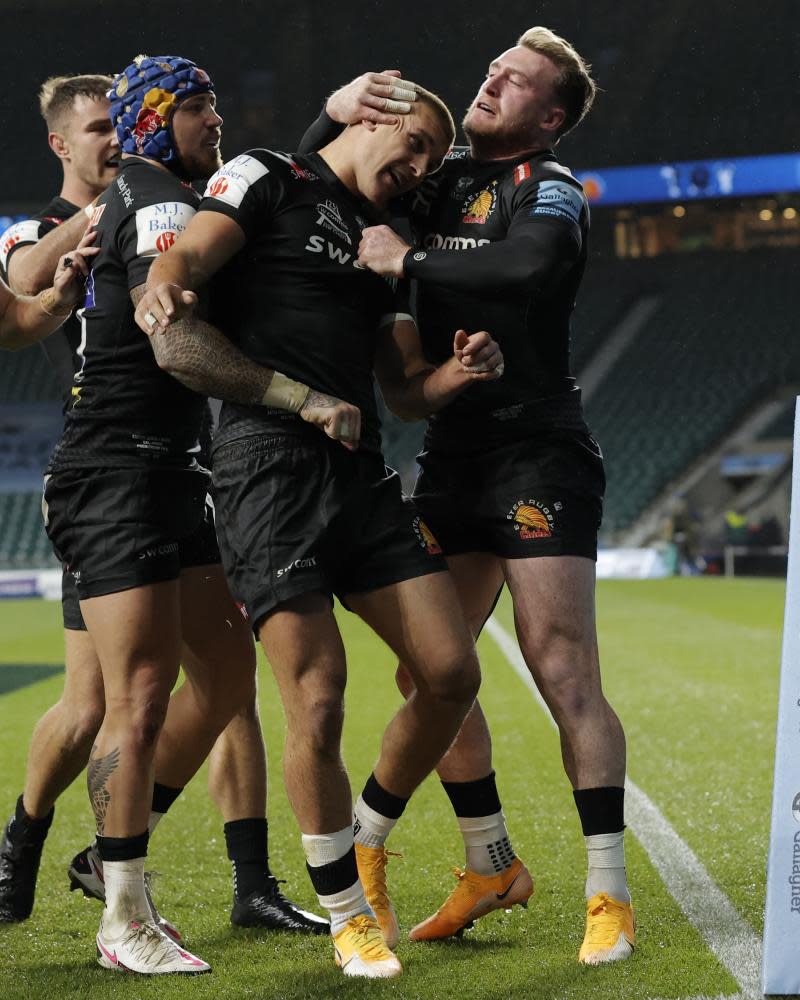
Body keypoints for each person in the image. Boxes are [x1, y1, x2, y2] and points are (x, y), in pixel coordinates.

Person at [133, 86, 504, 978]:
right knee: (320, 692)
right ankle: (346, 914)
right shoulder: (268, 175)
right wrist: (162, 283)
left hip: (362, 471)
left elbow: (406, 388)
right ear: (366, 117)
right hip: (267, 469)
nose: (415, 169)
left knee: (450, 672)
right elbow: (181, 274)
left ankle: (367, 832)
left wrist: (459, 375)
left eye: (427, 160)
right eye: (412, 143)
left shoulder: (381, 244)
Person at [307, 27, 634, 965]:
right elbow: (314, 187)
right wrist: (331, 114)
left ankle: (608, 892)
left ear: (552, 116)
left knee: (560, 666)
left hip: (539, 452)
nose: (493, 82)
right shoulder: (438, 174)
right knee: (431, 673)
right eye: (494, 69)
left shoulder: (552, 188)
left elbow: (524, 267)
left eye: (518, 81)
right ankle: (491, 862)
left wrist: (404, 262)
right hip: (452, 454)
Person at [0, 72, 325, 939]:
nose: (110, 140)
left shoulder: (163, 202)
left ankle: (248, 881)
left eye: (120, 125)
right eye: (95, 128)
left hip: (181, 457)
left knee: (227, 684)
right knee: (95, 705)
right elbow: (23, 279)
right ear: (62, 145)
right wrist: (113, 200)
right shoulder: (55, 222)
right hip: (109, 460)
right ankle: (27, 844)